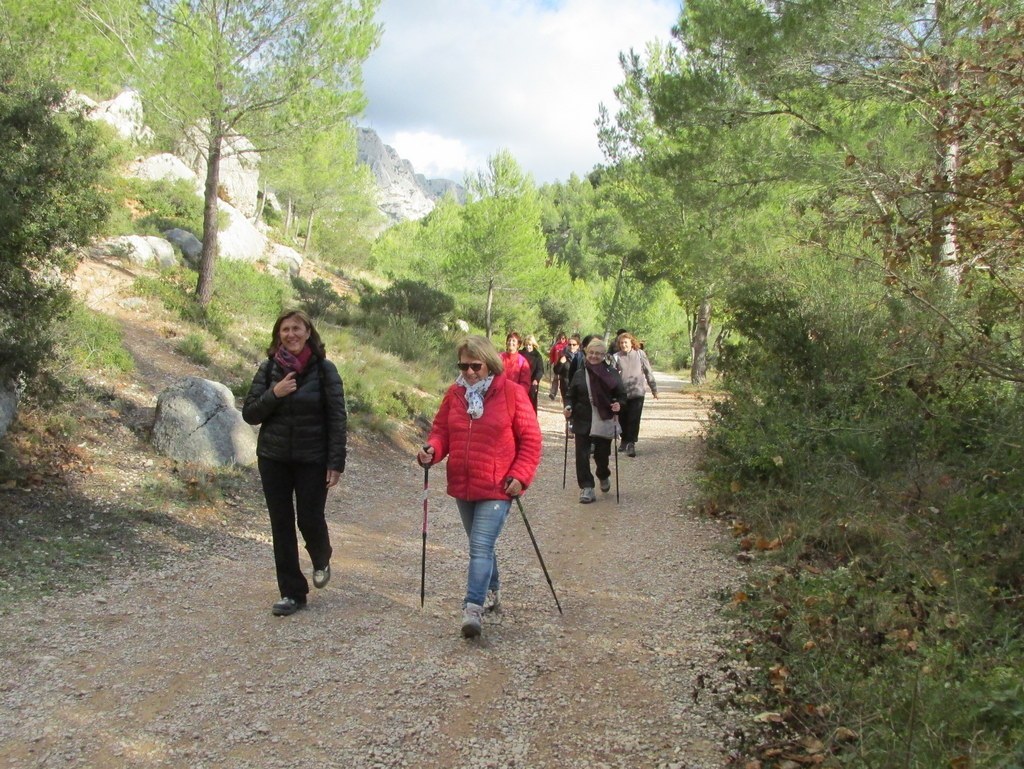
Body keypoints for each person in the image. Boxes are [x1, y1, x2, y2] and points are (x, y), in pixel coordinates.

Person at [417, 336, 542, 638]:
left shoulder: (511, 393)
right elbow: (441, 432)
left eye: (475, 366)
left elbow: (531, 440)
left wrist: (520, 476)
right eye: (463, 366)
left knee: (480, 545)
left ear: (490, 363)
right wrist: (432, 450)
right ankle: (493, 590)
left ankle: (472, 608)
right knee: (479, 543)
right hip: (463, 483)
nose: (469, 372)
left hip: (499, 486)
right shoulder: (455, 394)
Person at [243, 310, 347, 617]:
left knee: (310, 519)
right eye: (285, 329)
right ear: (278, 335)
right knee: (281, 525)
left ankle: (321, 556)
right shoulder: (268, 369)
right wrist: (274, 394)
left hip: (312, 460)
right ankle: (292, 593)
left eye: (296, 328)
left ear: (308, 333)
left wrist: (335, 462)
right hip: (273, 459)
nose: (291, 334)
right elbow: (250, 414)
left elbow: (337, 419)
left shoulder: (325, 370)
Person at [564, 338, 626, 504]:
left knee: (601, 455)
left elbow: (622, 395)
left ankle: (603, 474)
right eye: (591, 353)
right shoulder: (579, 374)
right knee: (582, 455)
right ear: (586, 353)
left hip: (603, 418)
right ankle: (587, 487)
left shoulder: (611, 373)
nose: (594, 356)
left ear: (604, 355)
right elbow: (570, 396)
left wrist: (618, 405)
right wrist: (568, 407)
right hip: (582, 419)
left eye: (598, 354)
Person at [613, 332, 659, 458]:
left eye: (626, 342)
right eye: (621, 343)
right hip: (622, 394)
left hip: (637, 392)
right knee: (622, 418)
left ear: (632, 343)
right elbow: (611, 375)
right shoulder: (616, 357)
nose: (623, 345)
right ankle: (624, 440)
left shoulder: (640, 354)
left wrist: (653, 388)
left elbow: (648, 372)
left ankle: (631, 443)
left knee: (634, 418)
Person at [500, 331, 533, 396]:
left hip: (514, 396)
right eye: (509, 340)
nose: (511, 342)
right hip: (499, 395)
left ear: (518, 345)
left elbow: (525, 384)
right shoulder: (499, 357)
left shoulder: (523, 362)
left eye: (513, 341)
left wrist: (517, 394)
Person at [552, 334, 580, 405]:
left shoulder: (581, 358)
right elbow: (556, 371)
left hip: (577, 386)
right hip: (565, 386)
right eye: (570, 344)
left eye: (574, 344)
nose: (571, 346)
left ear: (578, 346)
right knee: (567, 407)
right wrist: (561, 363)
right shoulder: (563, 356)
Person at [522, 334, 545, 412]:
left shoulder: (537, 356)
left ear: (533, 345)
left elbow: (540, 370)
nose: (528, 347)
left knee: (531, 404)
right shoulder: (520, 353)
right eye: (526, 345)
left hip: (532, 383)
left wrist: (536, 380)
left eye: (530, 345)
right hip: (521, 382)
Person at [547, 331, 568, 399]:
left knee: (563, 380)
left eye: (563, 338)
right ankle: (553, 393)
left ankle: (565, 394)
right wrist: (550, 362)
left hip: (564, 366)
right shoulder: (555, 346)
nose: (562, 339)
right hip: (557, 366)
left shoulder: (567, 345)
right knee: (555, 379)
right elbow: (551, 354)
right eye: (560, 338)